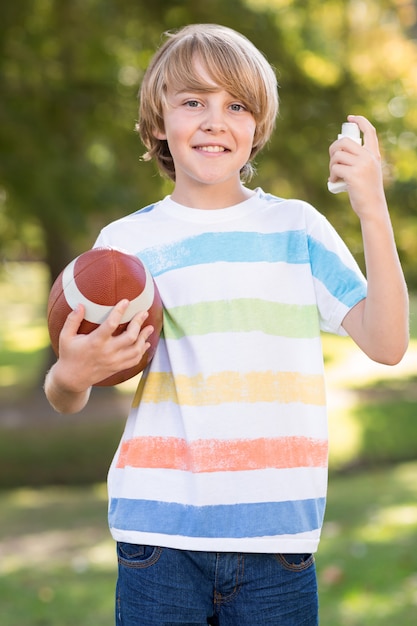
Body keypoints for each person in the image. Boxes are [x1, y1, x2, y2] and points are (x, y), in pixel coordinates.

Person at [44, 23, 409, 626]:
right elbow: (65, 395)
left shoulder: (299, 229)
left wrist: (372, 209)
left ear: (257, 126)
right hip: (157, 537)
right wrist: (70, 374)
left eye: (236, 105)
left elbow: (389, 343)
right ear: (159, 122)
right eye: (194, 102)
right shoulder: (124, 248)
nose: (216, 121)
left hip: (278, 541)